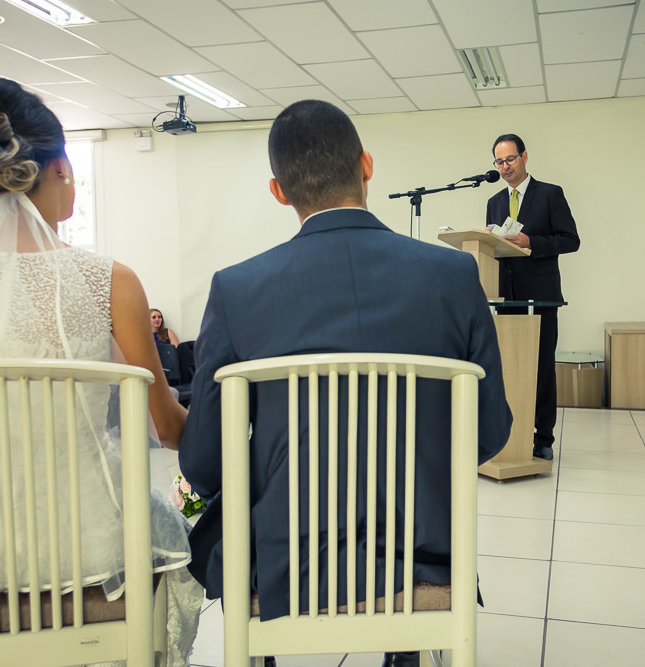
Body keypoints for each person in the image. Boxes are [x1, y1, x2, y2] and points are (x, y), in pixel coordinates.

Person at [180, 100, 512, 667]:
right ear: (367, 165)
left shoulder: (238, 289)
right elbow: (489, 432)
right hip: (424, 549)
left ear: (278, 191)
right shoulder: (453, 275)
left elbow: (206, 463)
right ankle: (405, 642)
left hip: (284, 558)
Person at [0, 77, 201, 666]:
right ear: (58, 169)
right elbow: (166, 428)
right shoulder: (109, 279)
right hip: (88, 549)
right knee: (174, 543)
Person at [485, 133, 580, 461]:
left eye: (510, 159)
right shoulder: (494, 202)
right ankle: (512, 433)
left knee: (541, 368)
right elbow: (497, 250)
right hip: (506, 299)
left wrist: (532, 242)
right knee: (510, 368)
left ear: (524, 157)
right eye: (499, 161)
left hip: (542, 297)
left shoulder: (550, 194)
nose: (505, 166)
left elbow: (571, 240)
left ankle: (544, 438)